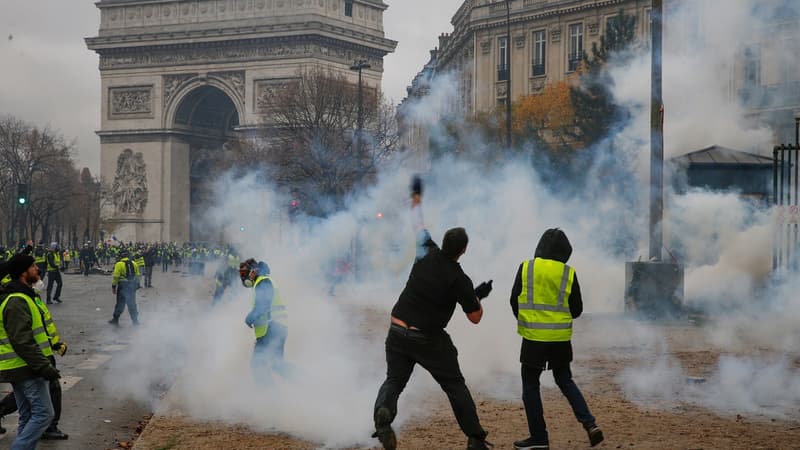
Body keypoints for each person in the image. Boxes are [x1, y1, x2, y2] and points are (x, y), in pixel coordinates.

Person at [372, 226, 495, 450]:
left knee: (394, 380)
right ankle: (476, 439)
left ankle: (384, 412)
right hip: (427, 338)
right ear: (464, 250)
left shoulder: (426, 253)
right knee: (455, 386)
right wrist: (477, 298)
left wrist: (417, 200)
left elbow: (419, 231)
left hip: (397, 329)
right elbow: (475, 317)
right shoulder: (459, 279)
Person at [510, 228, 603, 450]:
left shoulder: (527, 267)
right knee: (565, 380)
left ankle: (539, 438)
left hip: (533, 338)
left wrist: (526, 320)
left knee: (531, 385)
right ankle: (590, 424)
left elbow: (514, 300)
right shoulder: (568, 273)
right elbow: (577, 309)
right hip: (560, 338)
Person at [0, 254, 61, 449]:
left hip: (21, 367)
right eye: (33, 266)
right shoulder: (17, 300)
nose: (37, 269)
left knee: (27, 415)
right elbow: (23, 341)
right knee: (44, 414)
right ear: (23, 273)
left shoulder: (24, 296)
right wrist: (45, 367)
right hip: (25, 367)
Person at [240, 258, 288, 378]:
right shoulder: (261, 282)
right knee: (278, 366)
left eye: (244, 274)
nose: (243, 278)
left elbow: (263, 305)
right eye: (241, 274)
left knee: (258, 366)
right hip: (276, 328)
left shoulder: (263, 282)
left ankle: (270, 395)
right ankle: (308, 382)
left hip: (272, 328)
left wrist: (250, 318)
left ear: (253, 271)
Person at [109, 249, 141, 326]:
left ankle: (115, 320)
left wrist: (113, 287)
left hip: (122, 286)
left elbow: (116, 277)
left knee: (120, 304)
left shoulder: (119, 264)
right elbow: (138, 275)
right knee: (132, 304)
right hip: (132, 285)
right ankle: (135, 321)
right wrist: (137, 285)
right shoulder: (134, 263)